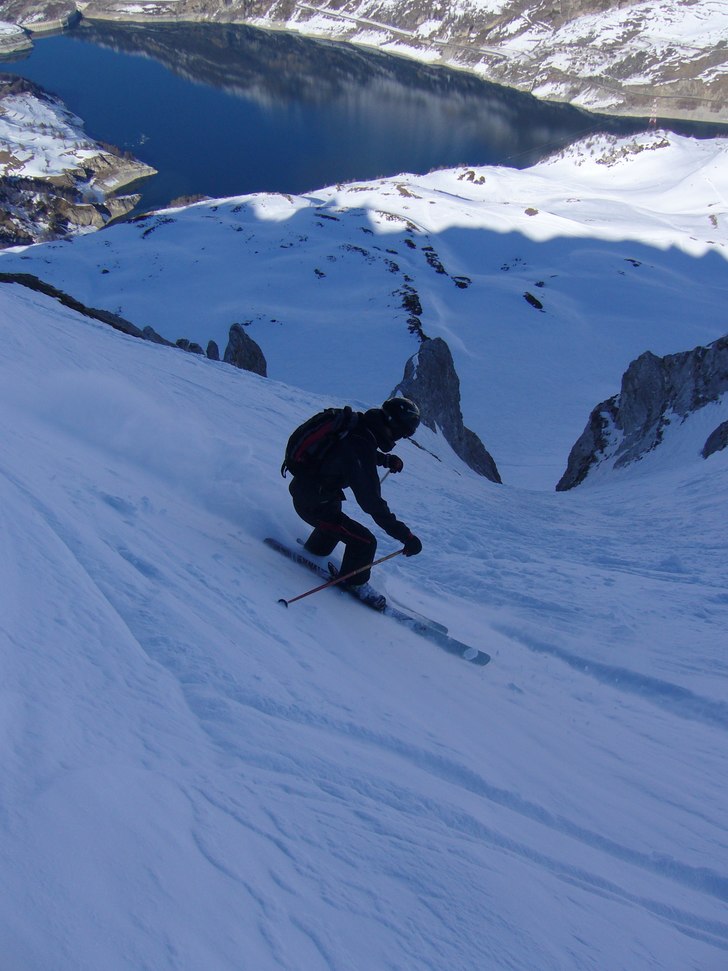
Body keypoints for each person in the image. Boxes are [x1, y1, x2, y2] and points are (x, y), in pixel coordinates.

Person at [288, 397, 423, 587]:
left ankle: (314, 551)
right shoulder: (360, 443)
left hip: (310, 493)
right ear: (393, 426)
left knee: (335, 519)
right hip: (313, 502)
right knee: (365, 543)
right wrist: (406, 536)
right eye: (402, 434)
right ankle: (354, 584)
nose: (399, 439)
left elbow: (353, 453)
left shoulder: (359, 427)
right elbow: (371, 503)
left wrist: (385, 460)